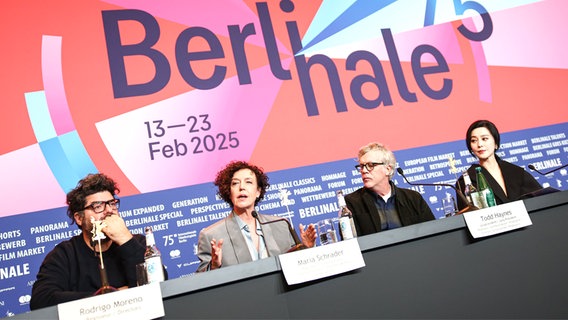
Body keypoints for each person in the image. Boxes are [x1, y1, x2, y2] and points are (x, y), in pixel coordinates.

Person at [30, 173, 147, 310]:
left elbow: (157, 282)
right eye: (98, 206)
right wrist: (112, 297)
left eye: (112, 204)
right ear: (79, 218)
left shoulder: (136, 242)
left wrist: (125, 239)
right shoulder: (64, 254)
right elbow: (41, 300)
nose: (109, 211)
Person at [196, 161, 316, 272]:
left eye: (248, 182)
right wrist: (214, 266)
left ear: (258, 191)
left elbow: (298, 269)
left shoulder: (281, 225)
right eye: (235, 183)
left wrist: (306, 248)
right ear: (229, 192)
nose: (241, 187)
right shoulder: (211, 235)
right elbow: (200, 282)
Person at [345, 142, 435, 236]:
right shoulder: (352, 202)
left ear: (388, 169)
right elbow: (351, 242)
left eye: (370, 165)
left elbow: (432, 231)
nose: (364, 170)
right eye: (361, 166)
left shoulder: (413, 198)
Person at [455, 120, 542, 210]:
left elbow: (543, 199)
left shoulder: (515, 171)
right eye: (474, 140)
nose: (480, 144)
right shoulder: (466, 181)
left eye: (484, 139)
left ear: (496, 143)